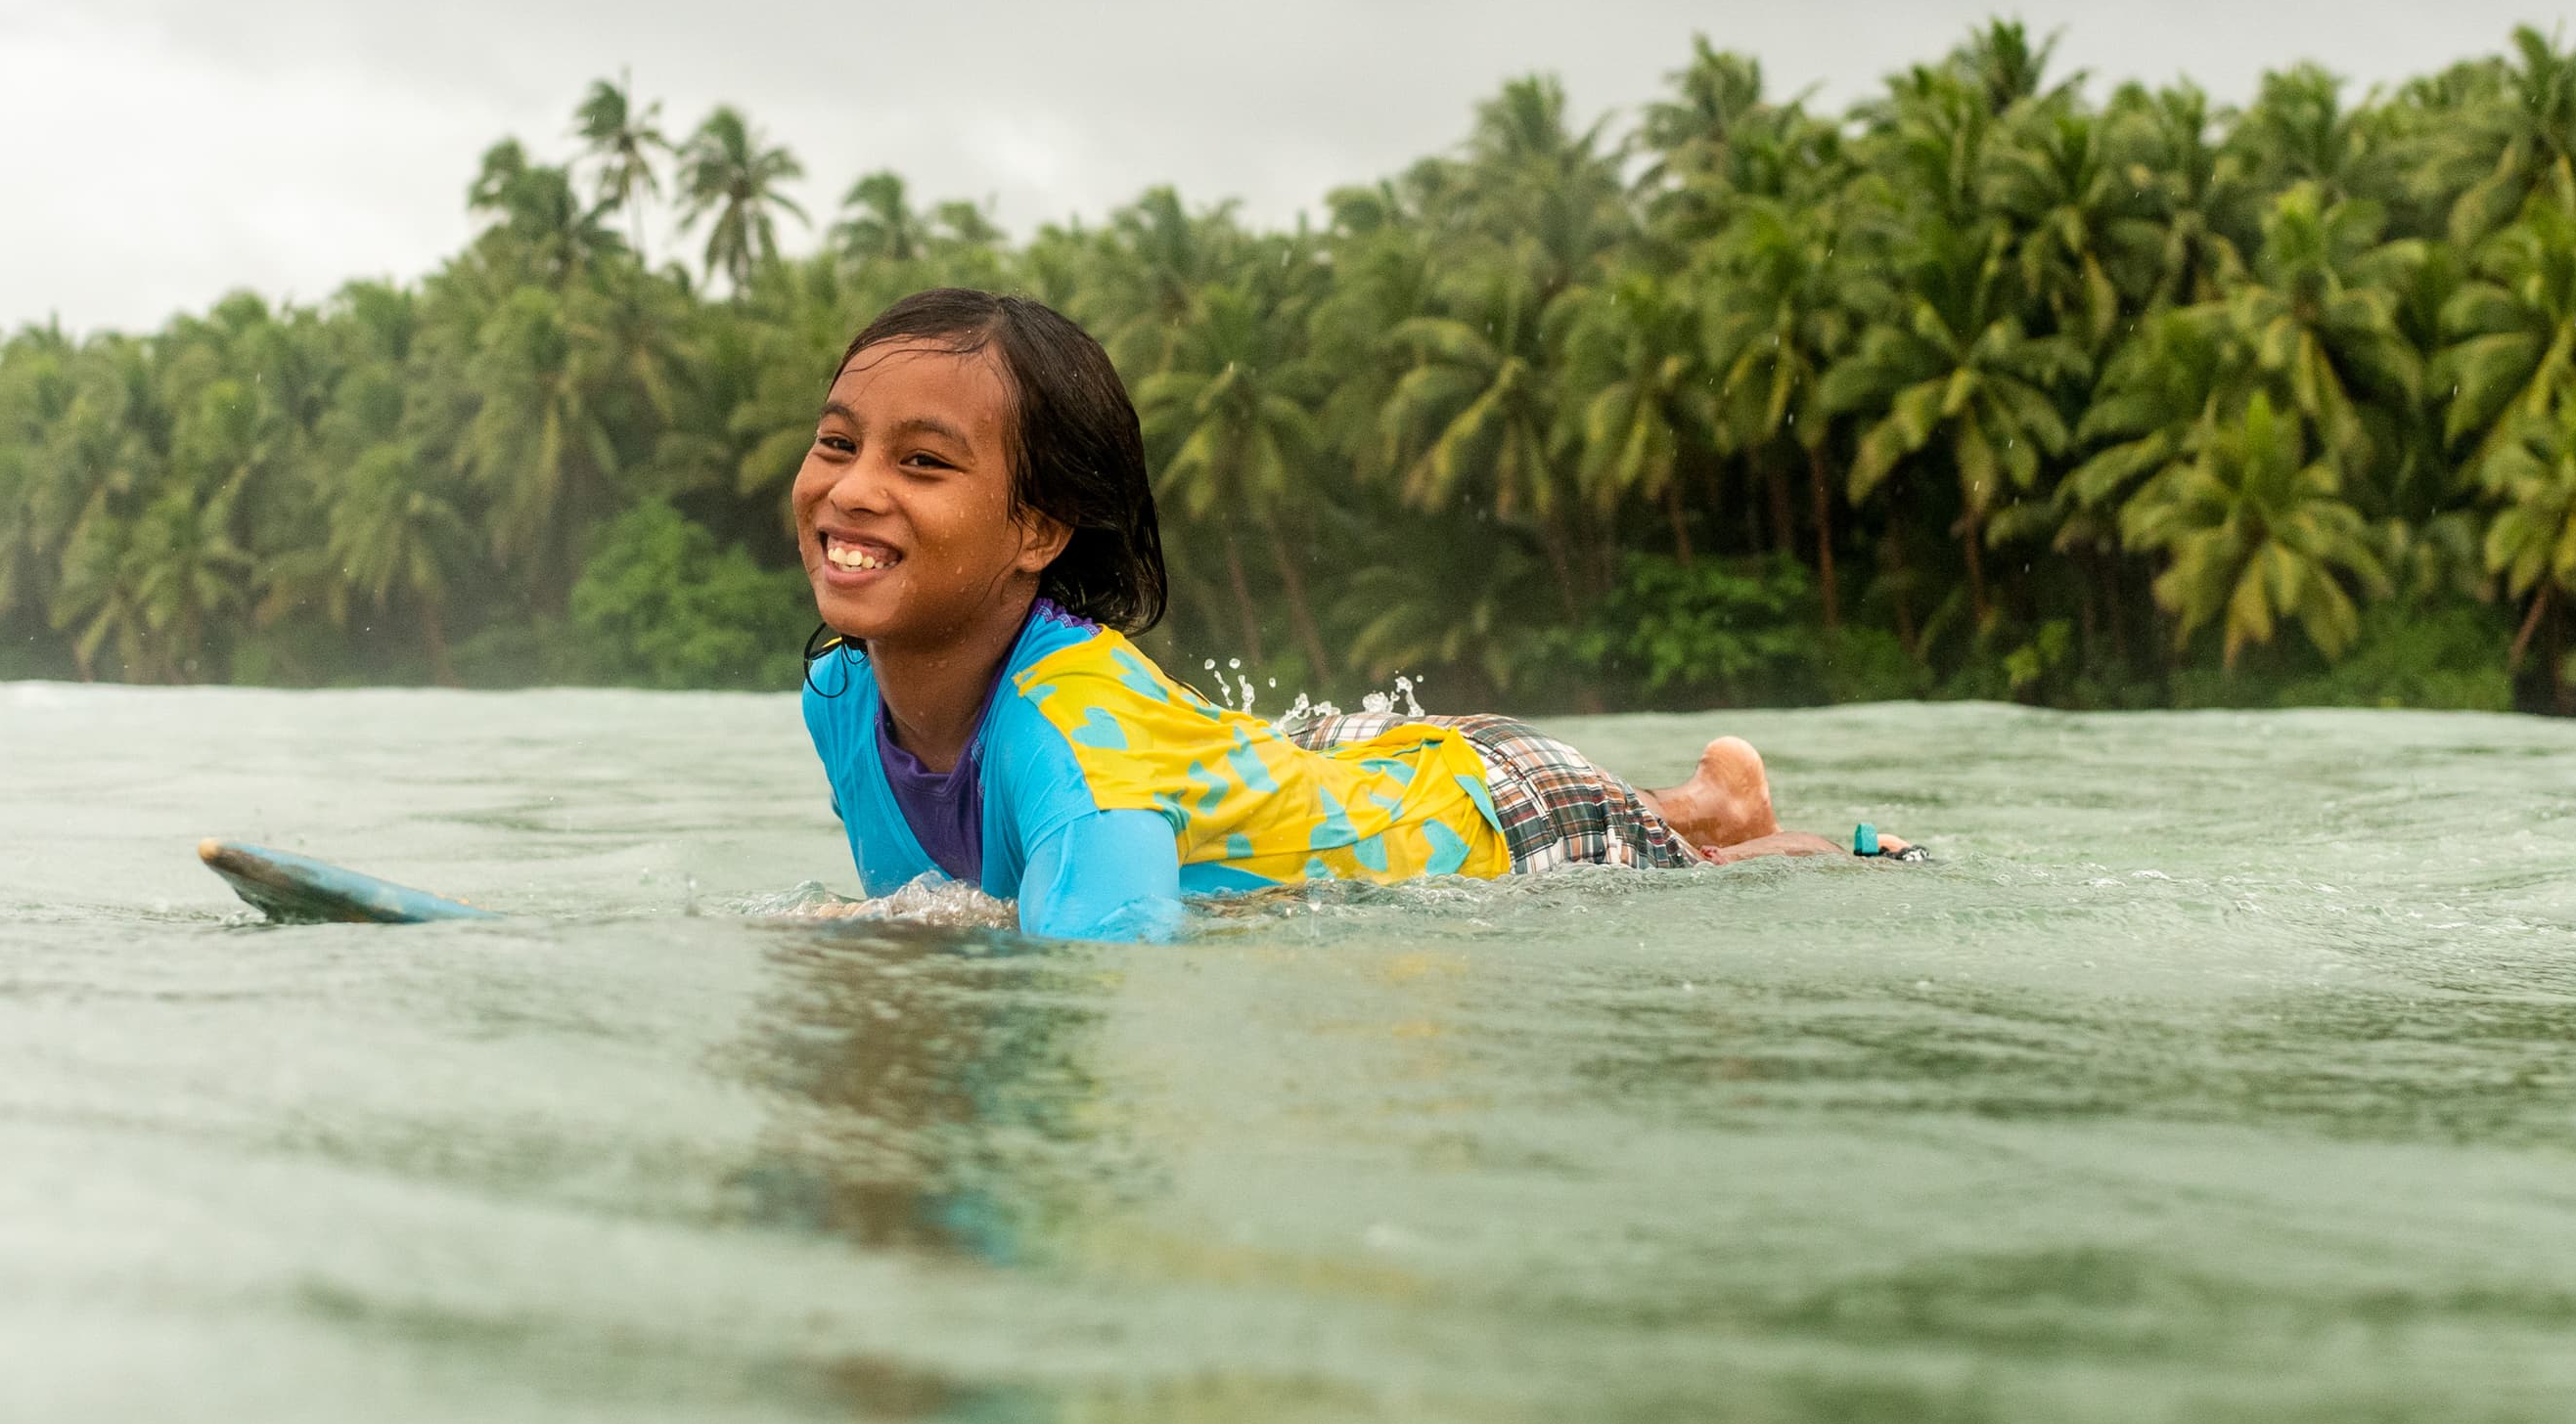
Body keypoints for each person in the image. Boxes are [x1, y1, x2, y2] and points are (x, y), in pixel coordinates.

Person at [793, 288, 1912, 943]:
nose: (851, 486)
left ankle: (1795, 840)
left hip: (1500, 816)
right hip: (1326, 761)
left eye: (923, 461)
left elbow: (1098, 965)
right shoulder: (844, 696)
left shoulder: (1075, 742)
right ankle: (1714, 797)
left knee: (1693, 871)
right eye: (838, 441)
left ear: (1041, 530)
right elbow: (942, 908)